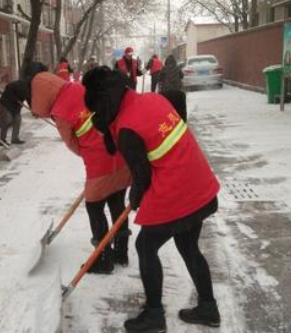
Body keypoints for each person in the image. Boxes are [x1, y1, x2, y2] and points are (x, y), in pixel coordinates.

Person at [83, 67, 221, 332]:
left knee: (146, 246)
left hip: (179, 189)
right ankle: (208, 307)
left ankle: (154, 314)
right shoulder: (151, 99)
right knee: (188, 245)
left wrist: (135, 198)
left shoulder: (126, 128)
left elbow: (142, 177)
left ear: (104, 103)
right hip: (198, 182)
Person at [30, 68, 132, 273]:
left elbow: (72, 143)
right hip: (119, 151)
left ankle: (103, 259)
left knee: (94, 206)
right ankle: (122, 253)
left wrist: (88, 152)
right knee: (117, 201)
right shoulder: (80, 87)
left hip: (98, 163)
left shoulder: (60, 111)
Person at [0, 79, 28, 145]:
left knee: (18, 120)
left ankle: (14, 139)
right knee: (7, 121)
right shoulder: (13, 85)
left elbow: (28, 98)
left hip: (16, 106)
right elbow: (9, 94)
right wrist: (17, 100)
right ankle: (2, 140)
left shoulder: (27, 88)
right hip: (6, 104)